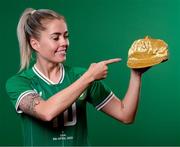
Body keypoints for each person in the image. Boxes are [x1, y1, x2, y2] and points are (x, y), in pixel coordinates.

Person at [6, 8, 149, 146]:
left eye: (66, 36)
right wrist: (88, 77)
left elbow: (125, 115)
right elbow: (46, 112)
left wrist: (136, 74)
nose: (64, 43)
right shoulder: (19, 82)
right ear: (35, 43)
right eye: (56, 38)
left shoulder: (80, 76)